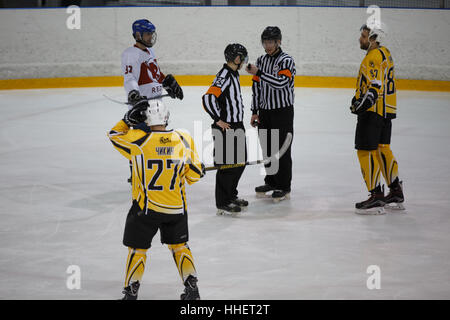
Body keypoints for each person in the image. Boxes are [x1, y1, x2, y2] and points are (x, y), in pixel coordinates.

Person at [108, 98, 205, 300]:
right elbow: (193, 177)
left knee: (138, 249)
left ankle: (131, 294)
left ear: (145, 118)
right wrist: (198, 168)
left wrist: (126, 120)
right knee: (180, 247)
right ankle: (192, 291)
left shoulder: (138, 139)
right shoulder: (183, 138)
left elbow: (114, 135)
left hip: (146, 210)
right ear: (167, 117)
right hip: (176, 208)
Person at [350, 23, 404, 214]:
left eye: (364, 36)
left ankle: (376, 195)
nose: (360, 39)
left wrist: (360, 105)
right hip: (386, 111)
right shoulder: (385, 53)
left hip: (372, 112)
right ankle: (395, 190)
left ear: (373, 39)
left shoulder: (372, 57)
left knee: (365, 151)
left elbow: (374, 87)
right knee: (383, 150)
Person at [121, 19, 184, 183]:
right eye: (147, 34)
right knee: (141, 140)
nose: (151, 37)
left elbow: (155, 73)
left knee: (157, 139)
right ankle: (136, 172)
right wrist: (134, 95)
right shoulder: (130, 54)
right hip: (142, 106)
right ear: (137, 35)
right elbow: (129, 78)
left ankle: (154, 169)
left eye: (151, 34)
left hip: (156, 105)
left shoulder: (150, 52)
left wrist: (167, 83)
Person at [246, 26, 295, 202]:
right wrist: (254, 111)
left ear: (278, 42)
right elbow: (256, 88)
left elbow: (281, 83)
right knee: (268, 149)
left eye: (271, 42)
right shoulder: (261, 60)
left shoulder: (286, 60)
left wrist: (259, 72)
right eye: (265, 42)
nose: (267, 45)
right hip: (265, 112)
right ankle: (272, 181)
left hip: (282, 112)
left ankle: (284, 186)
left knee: (282, 149)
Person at [202, 43, 249, 216]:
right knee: (227, 166)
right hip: (226, 127)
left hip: (236, 125)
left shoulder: (233, 74)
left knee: (240, 162)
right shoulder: (224, 75)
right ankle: (223, 202)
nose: (243, 60)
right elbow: (207, 98)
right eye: (242, 57)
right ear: (236, 58)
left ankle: (231, 195)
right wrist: (218, 120)